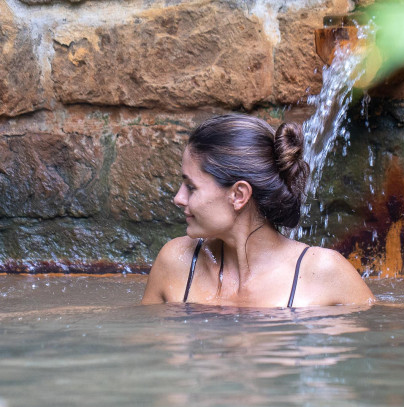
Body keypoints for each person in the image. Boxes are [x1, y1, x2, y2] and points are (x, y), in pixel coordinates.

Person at [141, 114, 374, 308]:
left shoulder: (324, 273)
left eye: (191, 187)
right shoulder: (175, 263)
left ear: (239, 195)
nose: (178, 198)